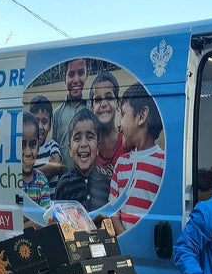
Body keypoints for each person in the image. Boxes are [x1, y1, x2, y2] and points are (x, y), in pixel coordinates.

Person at [98, 82, 166, 233]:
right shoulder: (121, 164)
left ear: (141, 115)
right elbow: (113, 211)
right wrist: (126, 236)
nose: (119, 124)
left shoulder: (163, 164)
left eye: (123, 114)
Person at [53, 108, 110, 212]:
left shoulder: (106, 183)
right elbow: (59, 221)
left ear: (97, 147)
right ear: (70, 149)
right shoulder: (64, 184)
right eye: (77, 138)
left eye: (89, 137)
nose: (83, 144)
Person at [52, 58, 89, 173]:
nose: (76, 80)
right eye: (71, 74)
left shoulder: (91, 109)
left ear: (87, 74)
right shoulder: (57, 114)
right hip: (64, 182)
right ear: (64, 78)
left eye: (81, 73)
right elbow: (55, 150)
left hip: (88, 181)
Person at [89, 71, 123, 175]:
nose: (103, 104)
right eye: (98, 100)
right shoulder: (89, 145)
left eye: (109, 98)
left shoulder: (127, 140)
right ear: (91, 109)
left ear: (118, 103)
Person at [30, 96, 63, 195]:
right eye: (36, 121)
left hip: (50, 205)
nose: (40, 127)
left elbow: (54, 167)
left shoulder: (52, 146)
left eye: (44, 122)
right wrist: (46, 170)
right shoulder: (24, 150)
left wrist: (30, 174)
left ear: (49, 126)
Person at [20, 111, 51, 212]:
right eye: (22, 145)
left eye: (32, 144)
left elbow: (45, 218)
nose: (28, 152)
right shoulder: (10, 181)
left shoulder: (42, 182)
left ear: (38, 147)